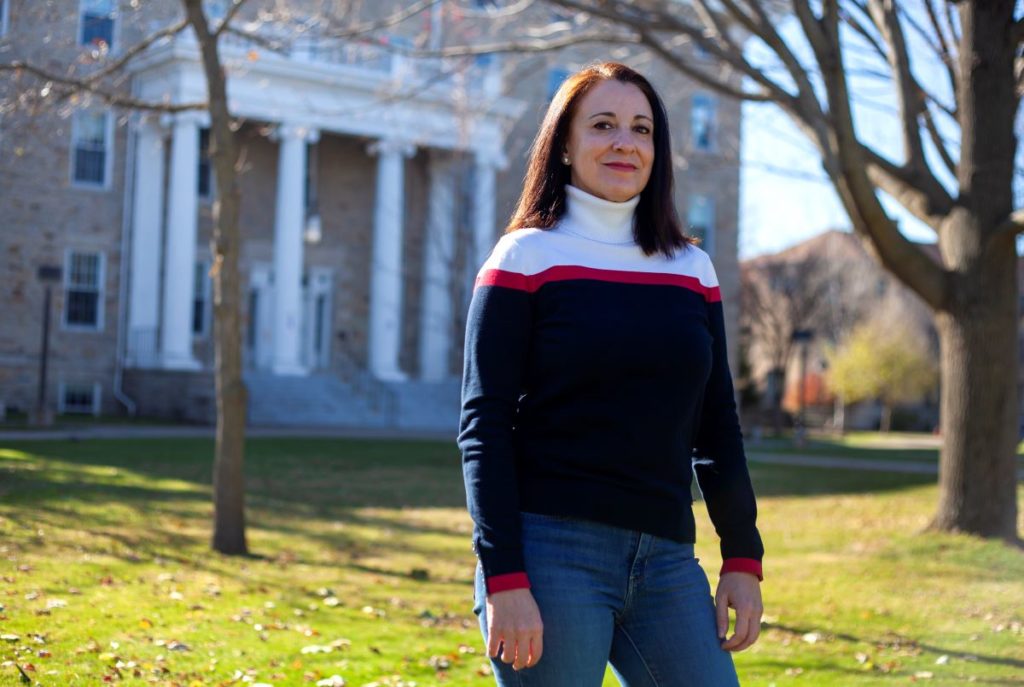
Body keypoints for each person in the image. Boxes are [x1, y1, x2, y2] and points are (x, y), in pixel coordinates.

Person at [456, 62, 764, 686]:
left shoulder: (692, 269)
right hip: (548, 556)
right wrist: (505, 578)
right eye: (603, 125)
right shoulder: (525, 258)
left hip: (668, 560)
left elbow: (718, 427)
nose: (624, 142)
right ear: (564, 144)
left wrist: (742, 556)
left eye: (641, 129)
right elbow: (482, 425)